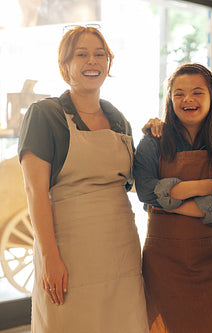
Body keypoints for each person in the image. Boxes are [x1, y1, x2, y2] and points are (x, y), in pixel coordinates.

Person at [18, 26, 148, 332]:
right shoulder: (44, 115)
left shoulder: (119, 119)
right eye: (82, 54)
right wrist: (50, 256)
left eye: (99, 54)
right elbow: (34, 191)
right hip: (69, 252)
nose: (92, 61)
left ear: (109, 64)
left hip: (122, 252)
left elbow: (130, 184)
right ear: (65, 65)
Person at [134, 63, 212, 333]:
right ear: (169, 99)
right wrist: (202, 186)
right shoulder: (153, 139)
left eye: (197, 92)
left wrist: (169, 201)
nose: (187, 99)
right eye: (178, 93)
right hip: (164, 263)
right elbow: (144, 190)